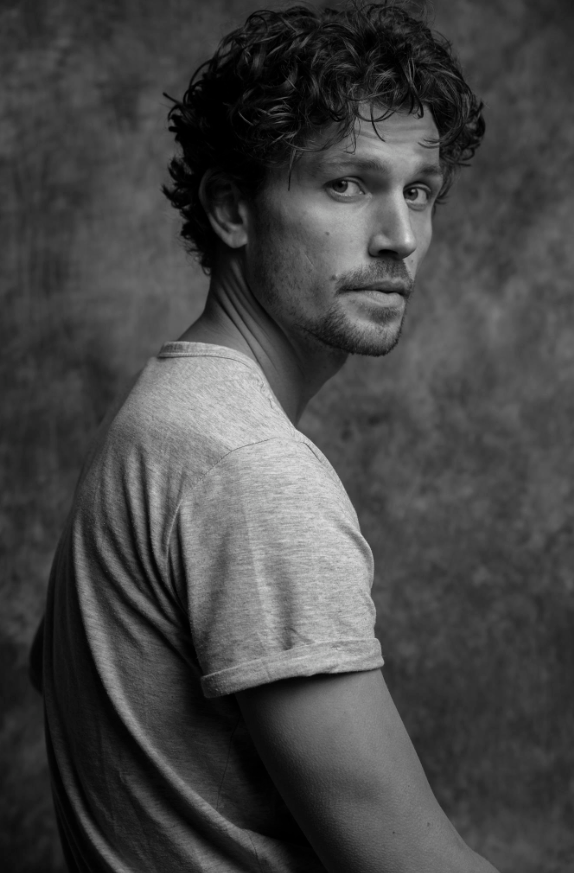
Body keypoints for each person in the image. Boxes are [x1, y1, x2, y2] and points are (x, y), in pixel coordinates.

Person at [30, 2, 498, 871]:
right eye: (347, 183)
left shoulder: (165, 417)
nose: (400, 238)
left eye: (419, 190)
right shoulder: (247, 467)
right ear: (231, 209)